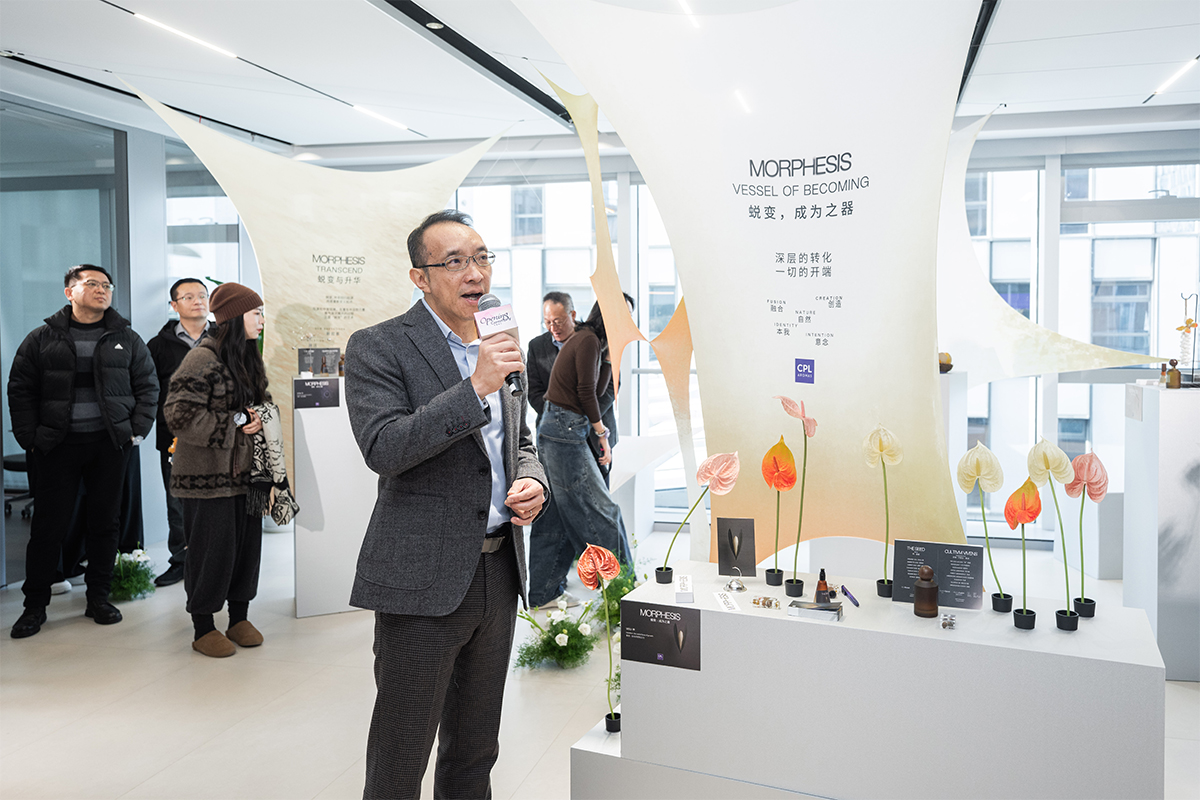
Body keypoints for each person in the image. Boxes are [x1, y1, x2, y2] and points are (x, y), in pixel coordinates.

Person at [345, 209, 548, 799]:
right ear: (421, 278)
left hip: (498, 569)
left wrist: (533, 480)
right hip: (421, 575)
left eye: (482, 257)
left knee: (475, 747)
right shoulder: (379, 346)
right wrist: (475, 386)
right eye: (455, 261)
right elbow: (385, 447)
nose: (474, 272)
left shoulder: (499, 340)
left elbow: (520, 441)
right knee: (403, 749)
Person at [8, 265, 158, 639]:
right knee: (48, 526)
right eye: (92, 284)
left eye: (106, 285)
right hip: (56, 446)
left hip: (109, 445)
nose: (101, 290)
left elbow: (148, 386)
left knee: (105, 524)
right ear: (69, 292)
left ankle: (98, 599)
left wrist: (135, 431)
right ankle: (34, 606)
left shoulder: (126, 338)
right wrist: (30, 437)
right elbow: (20, 389)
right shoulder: (42, 338)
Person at [163, 282, 271, 658]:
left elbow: (259, 402)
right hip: (207, 479)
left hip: (246, 476)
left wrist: (259, 416)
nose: (261, 320)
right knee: (212, 553)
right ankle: (203, 626)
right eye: (255, 313)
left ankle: (238, 618)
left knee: (246, 551)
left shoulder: (248, 357)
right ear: (235, 317)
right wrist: (237, 422)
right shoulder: (201, 359)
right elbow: (179, 415)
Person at [527, 300, 633, 610]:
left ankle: (545, 593)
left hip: (564, 429)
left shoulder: (595, 344)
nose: (628, 323)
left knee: (556, 516)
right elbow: (586, 393)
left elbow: (599, 394)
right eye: (624, 315)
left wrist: (611, 357)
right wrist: (601, 434)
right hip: (565, 430)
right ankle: (625, 596)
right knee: (604, 512)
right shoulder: (587, 339)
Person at [147, 277, 211, 587]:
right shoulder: (157, 345)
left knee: (217, 501)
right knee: (177, 501)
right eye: (188, 297)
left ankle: (213, 563)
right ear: (174, 305)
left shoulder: (226, 339)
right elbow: (149, 390)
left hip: (219, 436)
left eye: (202, 295)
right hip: (175, 438)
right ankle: (182, 561)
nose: (198, 301)